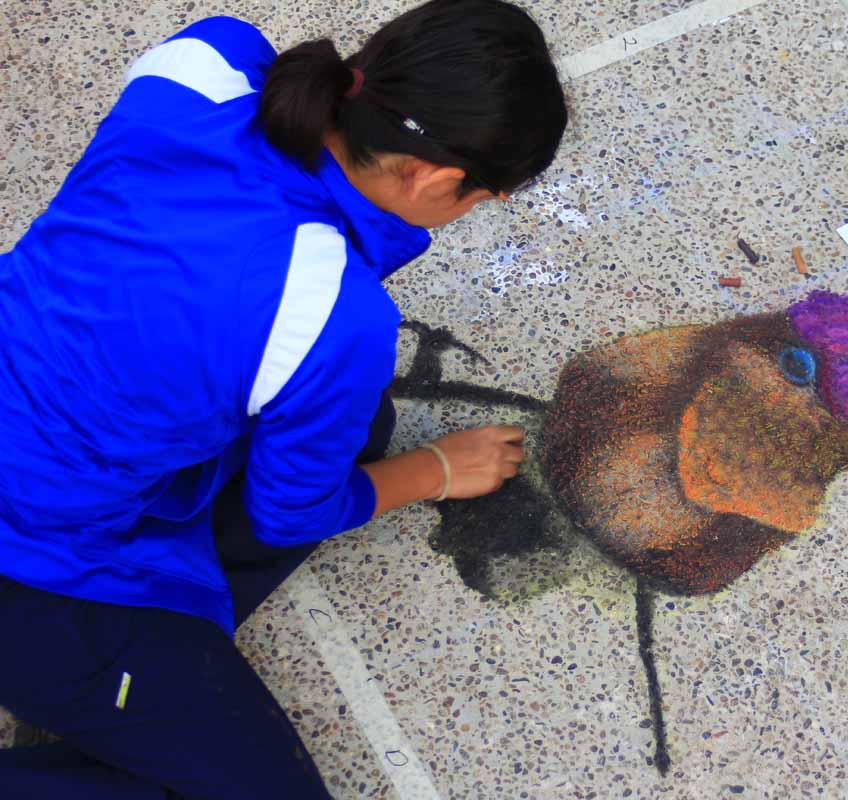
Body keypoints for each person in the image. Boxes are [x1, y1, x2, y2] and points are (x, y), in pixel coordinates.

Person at [0, 0, 567, 796]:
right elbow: (288, 516)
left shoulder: (207, 62)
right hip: (28, 570)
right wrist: (436, 470)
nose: (480, 210)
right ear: (435, 177)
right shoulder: (333, 314)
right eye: (486, 197)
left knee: (353, 419)